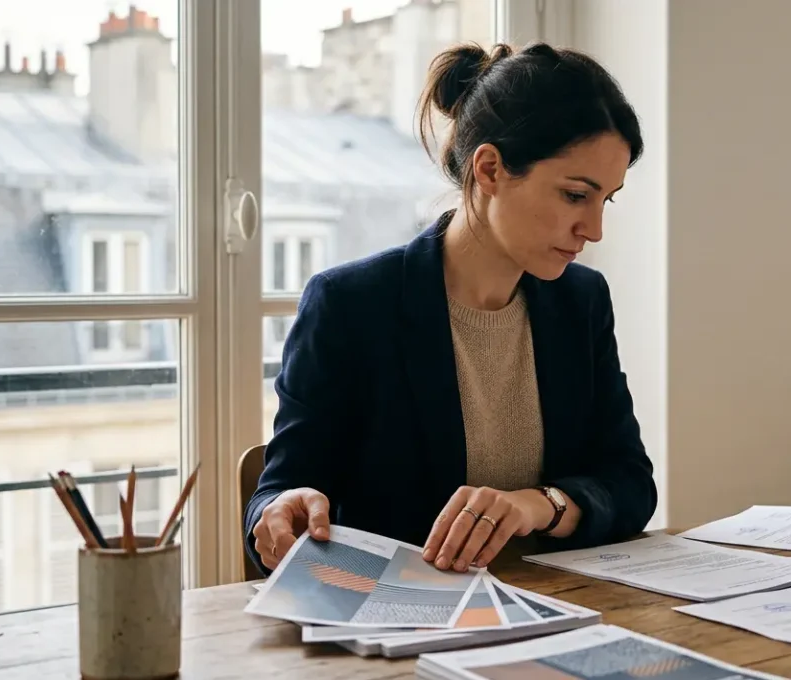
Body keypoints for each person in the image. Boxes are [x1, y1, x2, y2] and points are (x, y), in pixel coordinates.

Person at [243, 41, 656, 575]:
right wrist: (281, 509)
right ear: (490, 169)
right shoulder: (350, 305)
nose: (594, 229)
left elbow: (630, 483)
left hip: (560, 604)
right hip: (400, 611)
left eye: (606, 199)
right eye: (576, 195)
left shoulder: (582, 301)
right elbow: (282, 489)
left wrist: (537, 505)